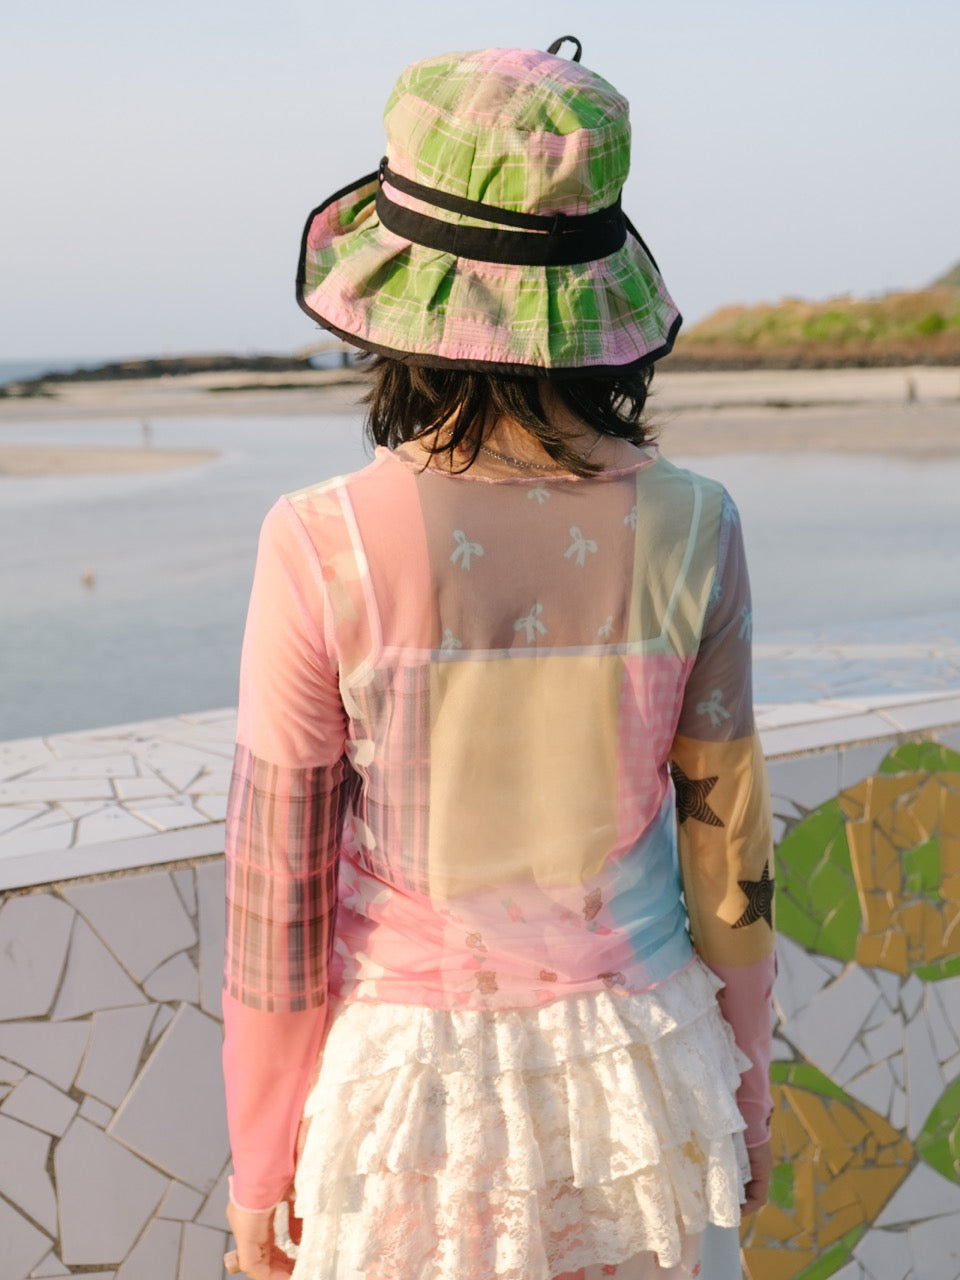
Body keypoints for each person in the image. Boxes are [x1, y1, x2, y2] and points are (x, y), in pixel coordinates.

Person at [222, 37, 775, 1280]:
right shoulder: (701, 523)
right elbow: (727, 850)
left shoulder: (320, 542)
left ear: (400, 303)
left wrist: (261, 1161)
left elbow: (279, 897)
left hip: (409, 1105)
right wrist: (747, 1086)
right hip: (646, 1077)